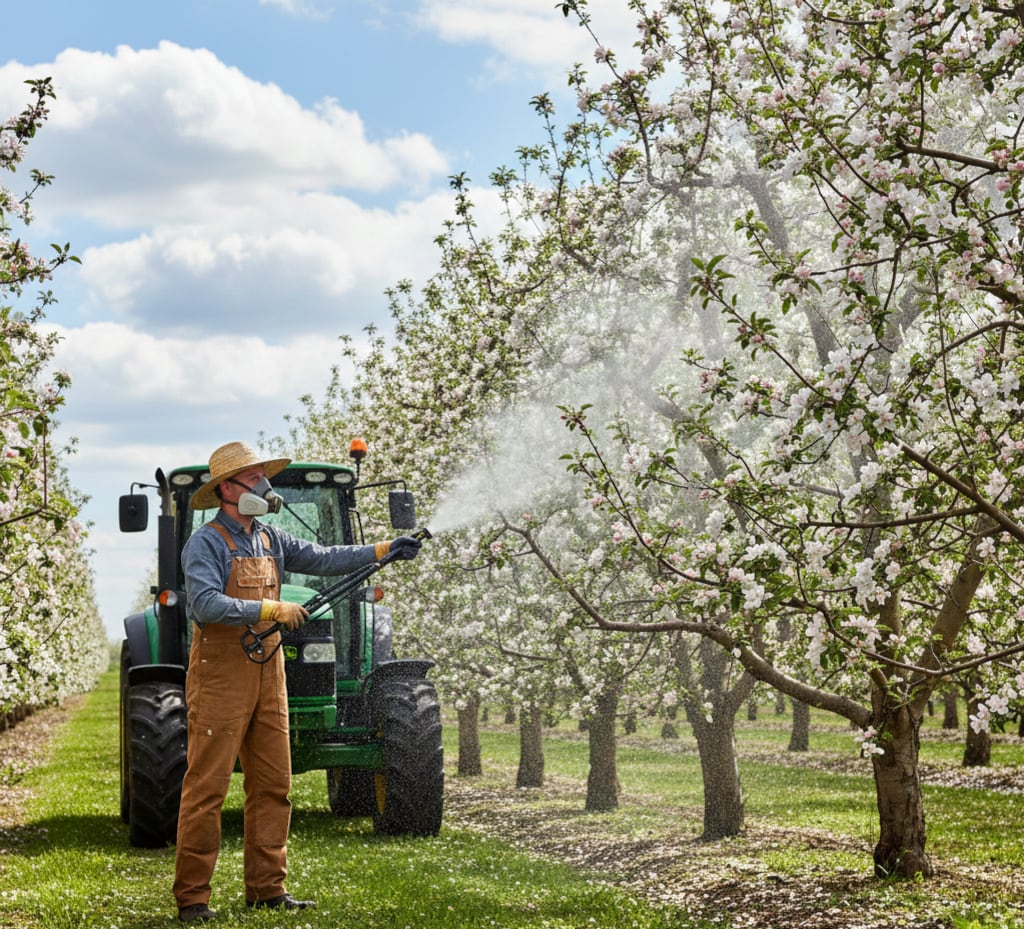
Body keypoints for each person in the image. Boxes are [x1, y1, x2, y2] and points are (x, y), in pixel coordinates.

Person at [173, 441, 421, 923]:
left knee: (274, 785)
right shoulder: (205, 544)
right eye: (254, 480)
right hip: (221, 677)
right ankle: (193, 898)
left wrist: (384, 549)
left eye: (264, 478)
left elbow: (325, 556)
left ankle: (267, 889)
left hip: (270, 675)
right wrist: (269, 608)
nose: (264, 488)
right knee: (207, 789)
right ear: (228, 488)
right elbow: (203, 604)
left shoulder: (268, 539)